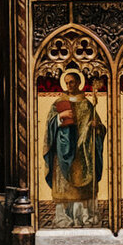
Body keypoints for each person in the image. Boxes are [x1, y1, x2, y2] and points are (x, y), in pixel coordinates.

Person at [43, 69, 106, 227]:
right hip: (62, 151)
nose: (69, 85)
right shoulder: (59, 102)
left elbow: (100, 128)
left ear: (79, 83)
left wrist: (96, 127)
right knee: (64, 188)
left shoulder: (86, 103)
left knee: (83, 188)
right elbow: (50, 124)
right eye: (67, 82)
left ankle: (84, 217)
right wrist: (60, 117)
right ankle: (64, 218)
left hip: (83, 152)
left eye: (72, 82)